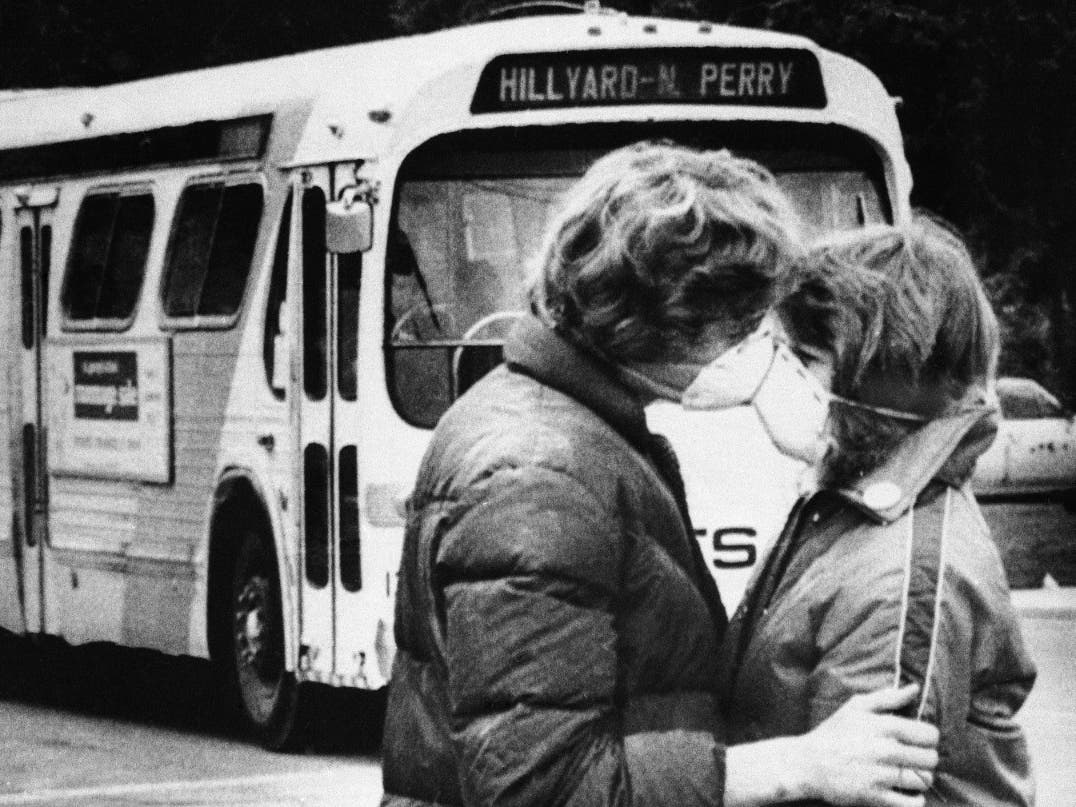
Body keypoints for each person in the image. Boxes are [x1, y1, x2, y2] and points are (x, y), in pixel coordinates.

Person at [380, 142, 940, 807]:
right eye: (738, 324)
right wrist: (796, 765)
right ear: (655, 323)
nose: (756, 345)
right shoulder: (540, 478)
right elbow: (539, 787)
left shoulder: (574, 427)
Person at [694, 214, 1036, 805]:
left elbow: (863, 793)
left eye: (801, 355)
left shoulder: (899, 573)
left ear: (879, 385)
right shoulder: (852, 509)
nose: (774, 372)